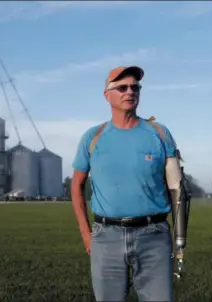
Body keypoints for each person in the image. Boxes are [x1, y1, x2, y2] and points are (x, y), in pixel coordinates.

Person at [71, 66, 180, 302]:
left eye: (135, 87)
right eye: (122, 87)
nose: (130, 91)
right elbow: (76, 185)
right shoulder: (93, 137)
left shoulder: (160, 134)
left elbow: (176, 188)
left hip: (154, 236)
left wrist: (178, 235)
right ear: (107, 95)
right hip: (105, 237)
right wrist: (85, 233)